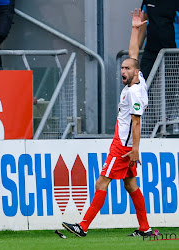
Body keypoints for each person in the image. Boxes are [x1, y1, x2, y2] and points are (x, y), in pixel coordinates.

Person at [62, 9, 151, 237]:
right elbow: (133, 52)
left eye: (127, 68)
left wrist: (134, 150)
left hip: (122, 146)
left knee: (102, 182)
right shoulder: (137, 81)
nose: (123, 70)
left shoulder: (133, 93)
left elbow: (136, 122)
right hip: (126, 145)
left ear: (136, 71)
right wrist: (135, 28)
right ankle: (145, 229)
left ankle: (82, 227)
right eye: (122, 68)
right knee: (130, 185)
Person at [139, 0, 179, 80]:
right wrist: (134, 54)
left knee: (171, 86)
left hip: (173, 52)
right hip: (150, 49)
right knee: (142, 83)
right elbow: (142, 26)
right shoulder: (147, 1)